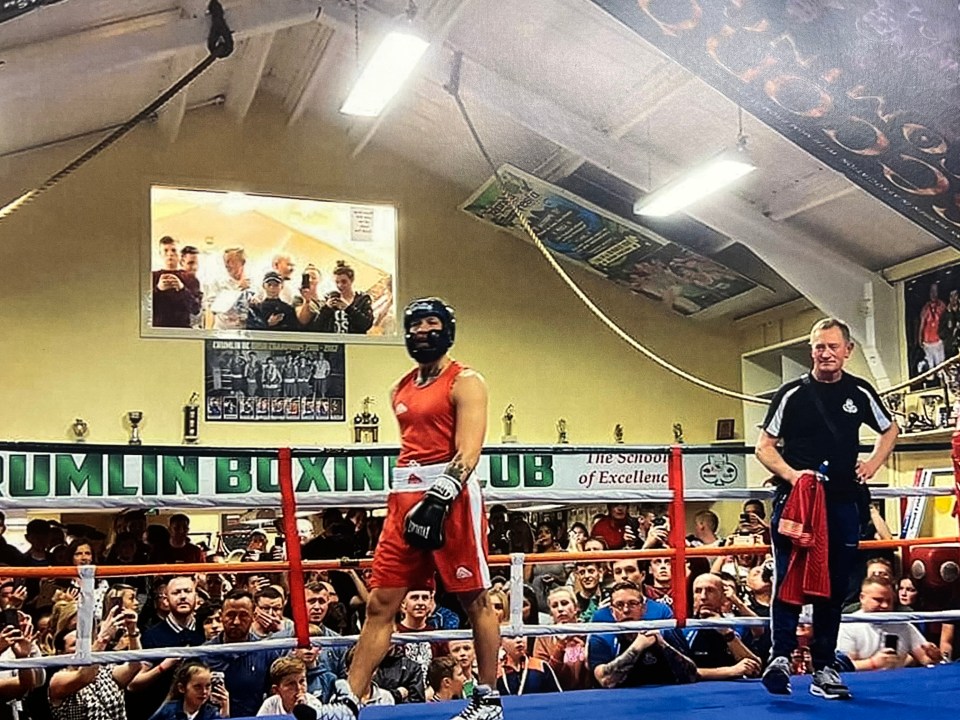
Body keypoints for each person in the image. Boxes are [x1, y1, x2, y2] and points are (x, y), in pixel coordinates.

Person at [331, 297, 501, 720]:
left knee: (475, 599)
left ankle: (488, 697)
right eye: (416, 325)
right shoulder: (399, 388)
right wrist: (414, 500)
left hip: (452, 496)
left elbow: (469, 448)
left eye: (431, 323)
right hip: (404, 497)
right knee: (380, 603)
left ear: (446, 329)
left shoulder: (467, 381)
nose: (423, 332)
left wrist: (441, 496)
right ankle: (350, 700)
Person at [756, 317, 899, 700]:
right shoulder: (792, 394)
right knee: (787, 578)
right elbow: (764, 446)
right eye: (820, 346)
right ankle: (780, 657)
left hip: (841, 502)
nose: (826, 353)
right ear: (812, 351)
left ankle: (823, 667)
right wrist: (792, 475)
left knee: (833, 588)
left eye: (833, 346)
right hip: (797, 504)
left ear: (847, 351)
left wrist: (872, 464)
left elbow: (891, 430)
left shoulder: (861, 391)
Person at [148, 660, 229, 720]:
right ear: (182, 688)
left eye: (208, 686)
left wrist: (225, 710)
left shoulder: (212, 713)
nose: (204, 691)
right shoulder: (168, 710)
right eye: (197, 687)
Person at [309, 261, 374, 334]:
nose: (340, 285)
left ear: (351, 280)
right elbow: (317, 327)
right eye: (337, 282)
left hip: (353, 343)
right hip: (333, 342)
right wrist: (326, 308)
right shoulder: (330, 297)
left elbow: (366, 324)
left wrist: (348, 309)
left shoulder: (362, 299)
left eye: (344, 282)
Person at [918, 282, 947, 373]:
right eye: (932, 291)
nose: (933, 294)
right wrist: (919, 338)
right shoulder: (925, 308)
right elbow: (922, 324)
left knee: (941, 367)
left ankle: (944, 384)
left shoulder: (942, 306)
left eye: (935, 291)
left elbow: (946, 320)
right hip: (927, 342)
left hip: (938, 341)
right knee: (930, 369)